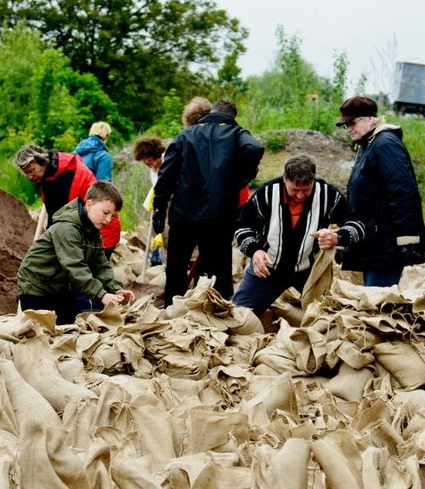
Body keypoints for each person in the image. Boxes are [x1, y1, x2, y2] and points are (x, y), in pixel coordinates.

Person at [152, 98, 264, 303]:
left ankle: (173, 308)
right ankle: (215, 310)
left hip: (184, 213)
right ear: (232, 117)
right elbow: (255, 148)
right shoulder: (236, 133)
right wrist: (241, 177)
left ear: (211, 112)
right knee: (217, 267)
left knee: (177, 265)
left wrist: (159, 208)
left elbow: (166, 175)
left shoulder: (185, 135)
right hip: (219, 215)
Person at [316, 96, 425, 287]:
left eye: (353, 122)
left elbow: (403, 193)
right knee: (368, 306)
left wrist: (407, 241)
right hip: (372, 243)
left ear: (371, 119)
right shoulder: (368, 146)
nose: (348, 128)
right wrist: (346, 241)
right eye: (345, 124)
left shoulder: (385, 145)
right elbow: (363, 203)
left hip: (385, 247)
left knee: (376, 308)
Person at [231, 155, 344, 316]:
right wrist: (254, 251)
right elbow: (242, 227)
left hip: (308, 271)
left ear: (313, 181)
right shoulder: (268, 193)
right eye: (294, 190)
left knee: (326, 318)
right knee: (238, 317)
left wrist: (337, 237)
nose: (299, 196)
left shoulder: (328, 196)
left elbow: (355, 225)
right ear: (285, 179)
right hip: (267, 269)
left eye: (306, 190)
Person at [18, 181, 136, 324]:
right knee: (48, 336)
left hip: (59, 290)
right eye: (106, 213)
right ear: (89, 204)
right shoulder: (67, 228)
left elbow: (101, 267)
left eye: (112, 215)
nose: (108, 220)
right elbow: (75, 268)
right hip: (36, 290)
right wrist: (102, 295)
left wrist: (117, 290)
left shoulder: (93, 232)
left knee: (75, 327)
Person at [15, 144, 96, 226]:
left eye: (32, 170)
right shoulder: (48, 176)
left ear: (42, 161)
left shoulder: (67, 173)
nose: (30, 177)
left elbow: (62, 217)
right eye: (26, 173)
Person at [74, 122, 120, 256]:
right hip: (92, 202)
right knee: (111, 230)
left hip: (73, 203)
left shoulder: (75, 154)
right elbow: (103, 186)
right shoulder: (103, 156)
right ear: (106, 137)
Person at [133, 135, 166, 264]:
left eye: (149, 157)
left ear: (157, 153)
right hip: (160, 207)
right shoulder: (152, 168)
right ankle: (159, 262)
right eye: (143, 159)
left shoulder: (168, 162)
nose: (147, 162)